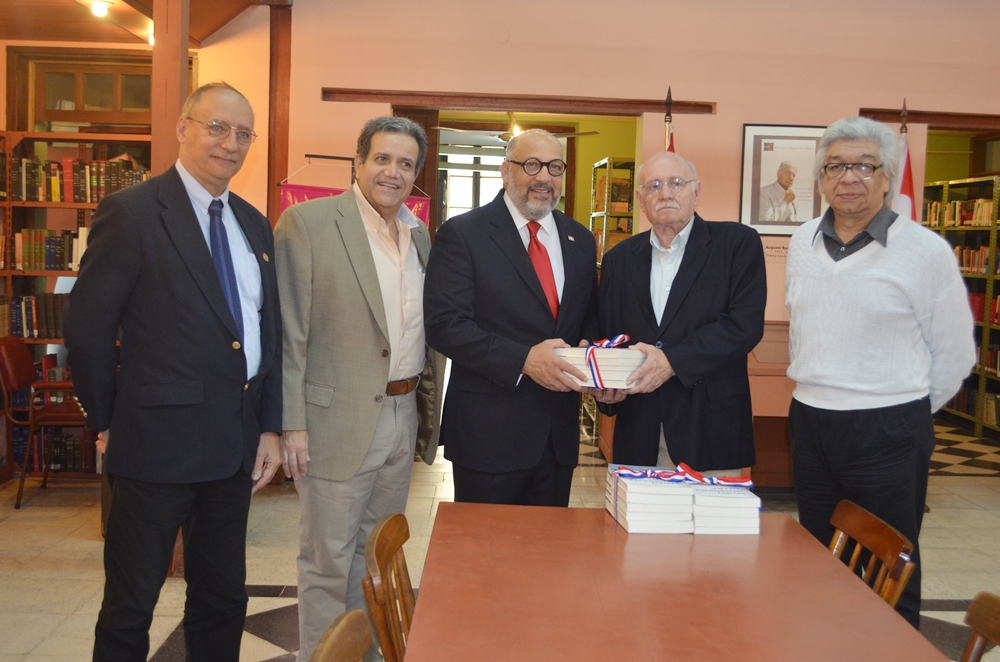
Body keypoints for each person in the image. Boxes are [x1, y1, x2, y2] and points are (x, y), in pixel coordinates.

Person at [64, 82, 283, 662]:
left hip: (233, 447)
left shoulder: (254, 225)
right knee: (131, 606)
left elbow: (267, 337)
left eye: (242, 133)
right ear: (183, 128)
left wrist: (268, 426)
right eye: (217, 127)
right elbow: (86, 330)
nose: (230, 143)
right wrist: (106, 419)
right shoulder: (133, 213)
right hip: (153, 446)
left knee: (221, 600)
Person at [785, 116, 975, 629]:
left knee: (890, 567)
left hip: (887, 427)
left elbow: (956, 354)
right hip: (810, 420)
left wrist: (901, 406)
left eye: (864, 165)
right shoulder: (802, 242)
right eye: (836, 165)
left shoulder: (925, 250)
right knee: (821, 557)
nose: (850, 177)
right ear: (821, 178)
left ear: (887, 176)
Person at [274, 116, 443, 661]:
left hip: (401, 415)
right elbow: (289, 333)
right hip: (333, 420)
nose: (393, 172)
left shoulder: (419, 236)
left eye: (406, 164)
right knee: (327, 562)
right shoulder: (308, 223)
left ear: (416, 176)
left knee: (375, 559)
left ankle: (365, 655)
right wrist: (291, 423)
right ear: (358, 161)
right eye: (382, 159)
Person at [424, 128, 599, 507]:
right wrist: (523, 360)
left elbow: (587, 317)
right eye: (531, 165)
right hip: (488, 437)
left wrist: (591, 348)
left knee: (547, 557)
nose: (544, 177)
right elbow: (444, 326)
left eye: (555, 167)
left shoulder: (580, 240)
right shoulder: (463, 234)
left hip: (557, 438)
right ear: (506, 171)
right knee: (485, 559)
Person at [597, 151, 766, 474]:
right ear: (641, 198)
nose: (665, 194)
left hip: (710, 430)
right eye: (654, 185)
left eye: (676, 183)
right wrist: (607, 389)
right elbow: (609, 335)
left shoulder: (736, 244)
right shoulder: (619, 260)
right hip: (639, 431)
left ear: (696, 191)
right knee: (639, 525)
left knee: (710, 525)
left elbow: (743, 326)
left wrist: (671, 361)